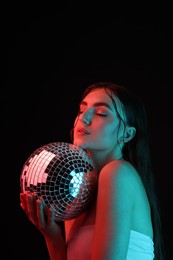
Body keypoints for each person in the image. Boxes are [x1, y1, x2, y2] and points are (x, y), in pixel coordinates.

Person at [20, 82, 164, 259]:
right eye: (81, 111)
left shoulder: (118, 173)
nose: (84, 118)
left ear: (127, 134)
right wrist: (52, 236)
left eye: (101, 113)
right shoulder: (80, 191)